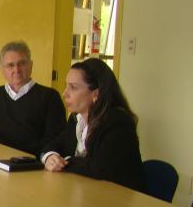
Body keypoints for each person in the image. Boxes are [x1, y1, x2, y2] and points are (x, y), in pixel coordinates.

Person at [41, 57, 145, 192]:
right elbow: (56, 144)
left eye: (73, 87)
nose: (64, 93)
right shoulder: (77, 118)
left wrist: (63, 161)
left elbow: (98, 168)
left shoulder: (118, 122)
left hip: (120, 199)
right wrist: (51, 156)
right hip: (89, 191)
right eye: (67, 86)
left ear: (95, 94)